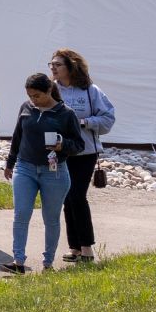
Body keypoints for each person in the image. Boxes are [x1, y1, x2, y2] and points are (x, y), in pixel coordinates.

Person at [2, 73, 85, 274]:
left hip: (54, 172)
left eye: (37, 95)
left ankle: (48, 263)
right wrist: (10, 162)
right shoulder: (26, 108)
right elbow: (17, 136)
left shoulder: (66, 114)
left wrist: (62, 144)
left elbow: (79, 145)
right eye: (30, 95)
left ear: (49, 91)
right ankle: (18, 261)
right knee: (21, 213)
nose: (33, 100)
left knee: (51, 218)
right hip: (25, 167)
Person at [48, 48, 115, 263]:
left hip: (85, 152)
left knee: (77, 196)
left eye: (58, 64)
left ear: (71, 66)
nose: (53, 68)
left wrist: (84, 123)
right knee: (66, 198)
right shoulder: (51, 90)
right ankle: (75, 248)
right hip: (60, 151)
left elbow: (108, 119)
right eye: (52, 65)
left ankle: (87, 247)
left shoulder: (90, 91)